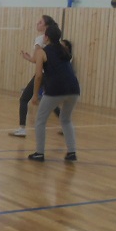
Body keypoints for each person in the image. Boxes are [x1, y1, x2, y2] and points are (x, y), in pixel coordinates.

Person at [27, 24, 80, 162]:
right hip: (74, 89)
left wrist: (35, 95)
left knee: (40, 120)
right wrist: (29, 58)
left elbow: (38, 76)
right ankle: (72, 152)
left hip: (56, 89)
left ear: (46, 37)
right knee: (66, 119)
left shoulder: (42, 51)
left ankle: (39, 153)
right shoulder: (63, 50)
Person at [10, 15, 57, 137]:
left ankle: (22, 128)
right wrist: (29, 58)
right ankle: (66, 124)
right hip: (53, 75)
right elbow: (42, 59)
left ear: (46, 26)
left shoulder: (40, 39)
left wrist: (31, 58)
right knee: (52, 102)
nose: (37, 23)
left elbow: (38, 59)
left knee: (24, 99)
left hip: (43, 74)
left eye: (40, 22)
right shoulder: (55, 40)